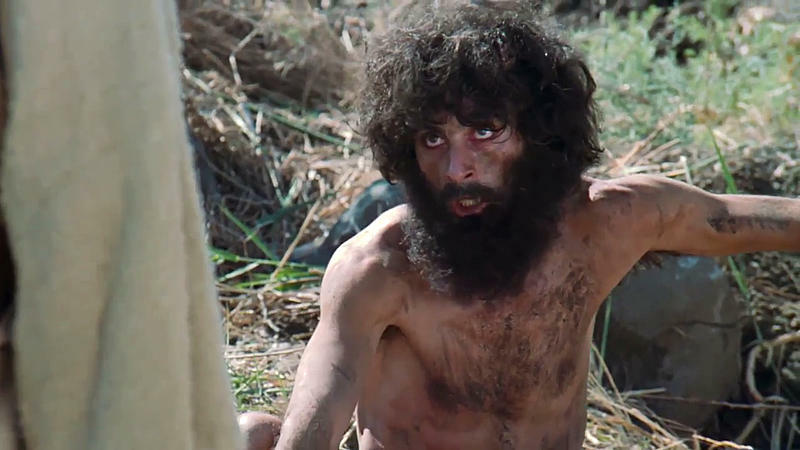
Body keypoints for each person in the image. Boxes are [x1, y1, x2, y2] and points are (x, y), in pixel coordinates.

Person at [239, 2, 800, 449]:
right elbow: (322, 404)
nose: (456, 169)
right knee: (251, 434)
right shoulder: (377, 269)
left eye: (484, 132)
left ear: (539, 131)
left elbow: (734, 220)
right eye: (432, 139)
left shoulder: (608, 222)